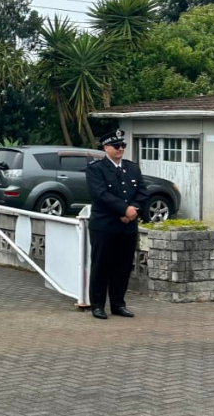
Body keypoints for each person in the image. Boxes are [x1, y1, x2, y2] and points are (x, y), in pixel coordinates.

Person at [86, 129, 148, 320]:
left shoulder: (132, 168)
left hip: (127, 226)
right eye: (116, 146)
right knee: (101, 266)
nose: (121, 148)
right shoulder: (96, 168)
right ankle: (97, 305)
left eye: (123, 145)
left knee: (122, 267)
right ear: (106, 148)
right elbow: (101, 194)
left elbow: (142, 192)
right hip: (105, 225)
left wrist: (133, 210)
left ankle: (118, 303)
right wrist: (124, 209)